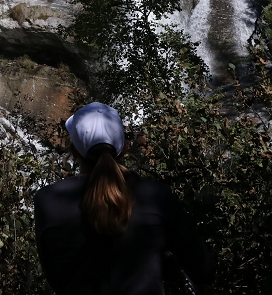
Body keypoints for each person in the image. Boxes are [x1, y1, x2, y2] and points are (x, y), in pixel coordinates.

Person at [34, 103, 214, 295]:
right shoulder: (154, 196)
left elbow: (56, 280)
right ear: (124, 149)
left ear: (74, 151)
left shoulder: (47, 201)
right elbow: (203, 270)